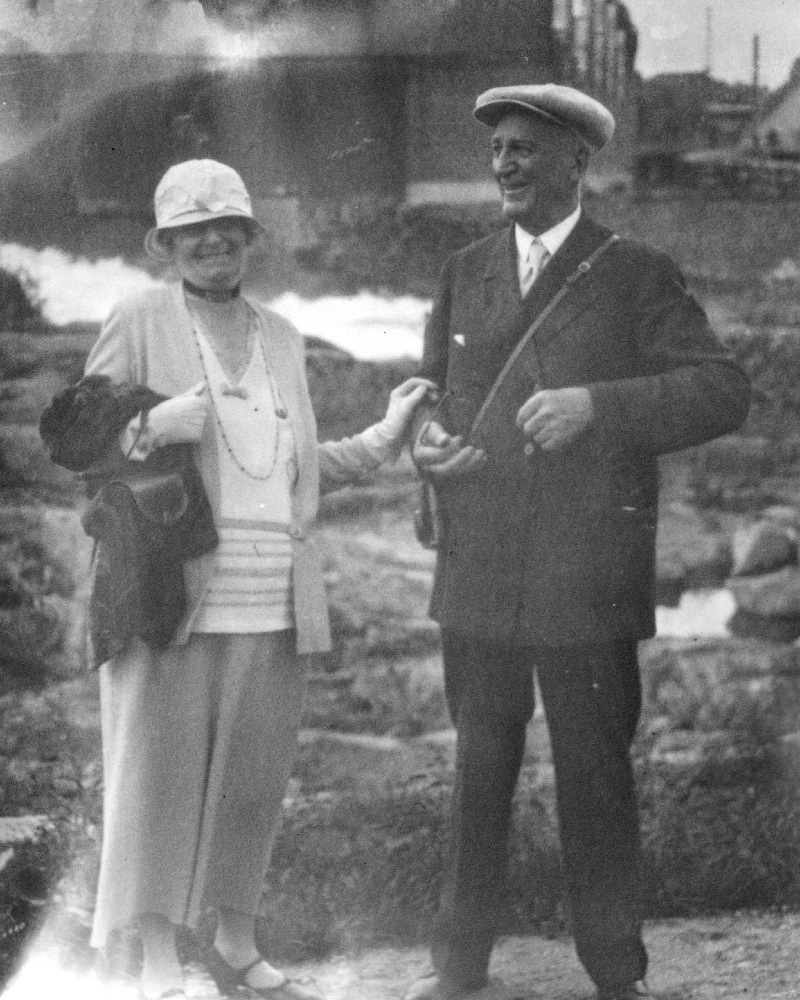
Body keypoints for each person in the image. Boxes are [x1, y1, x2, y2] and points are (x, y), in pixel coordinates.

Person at [40, 159, 432, 1000]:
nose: (215, 240)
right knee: (156, 780)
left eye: (230, 227)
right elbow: (73, 437)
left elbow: (293, 467)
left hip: (273, 597)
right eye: (194, 229)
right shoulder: (140, 316)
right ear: (168, 243)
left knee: (251, 783)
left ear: (251, 238)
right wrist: (144, 425)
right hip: (168, 594)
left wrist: (388, 434)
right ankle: (151, 964)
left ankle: (236, 944)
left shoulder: (283, 336)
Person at [405, 85, 750, 1000]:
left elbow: (722, 388)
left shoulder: (634, 271)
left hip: (585, 577)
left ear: (575, 162)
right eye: (498, 150)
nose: (504, 164)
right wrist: (427, 448)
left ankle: (614, 976)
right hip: (478, 571)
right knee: (478, 772)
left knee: (595, 780)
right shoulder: (466, 269)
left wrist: (598, 407)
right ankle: (459, 968)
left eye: (524, 148)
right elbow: (436, 397)